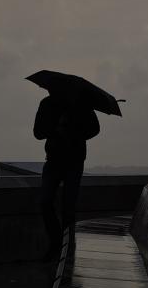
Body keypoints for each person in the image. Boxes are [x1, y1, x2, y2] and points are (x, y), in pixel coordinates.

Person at [33, 91, 99, 254]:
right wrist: (56, 128)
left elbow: (94, 129)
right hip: (54, 160)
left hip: (74, 162)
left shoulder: (82, 104)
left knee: (68, 208)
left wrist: (73, 130)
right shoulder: (47, 104)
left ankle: (66, 248)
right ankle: (57, 243)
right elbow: (38, 132)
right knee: (45, 202)